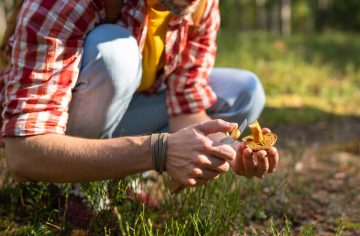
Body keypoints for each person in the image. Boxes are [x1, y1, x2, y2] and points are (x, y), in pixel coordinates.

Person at [1, 0, 279, 188]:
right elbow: (23, 154)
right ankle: (72, 190)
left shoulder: (198, 5)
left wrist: (231, 152)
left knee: (244, 91)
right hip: (57, 128)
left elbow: (186, 108)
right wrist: (158, 151)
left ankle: (120, 176)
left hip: (122, 110)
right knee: (115, 54)